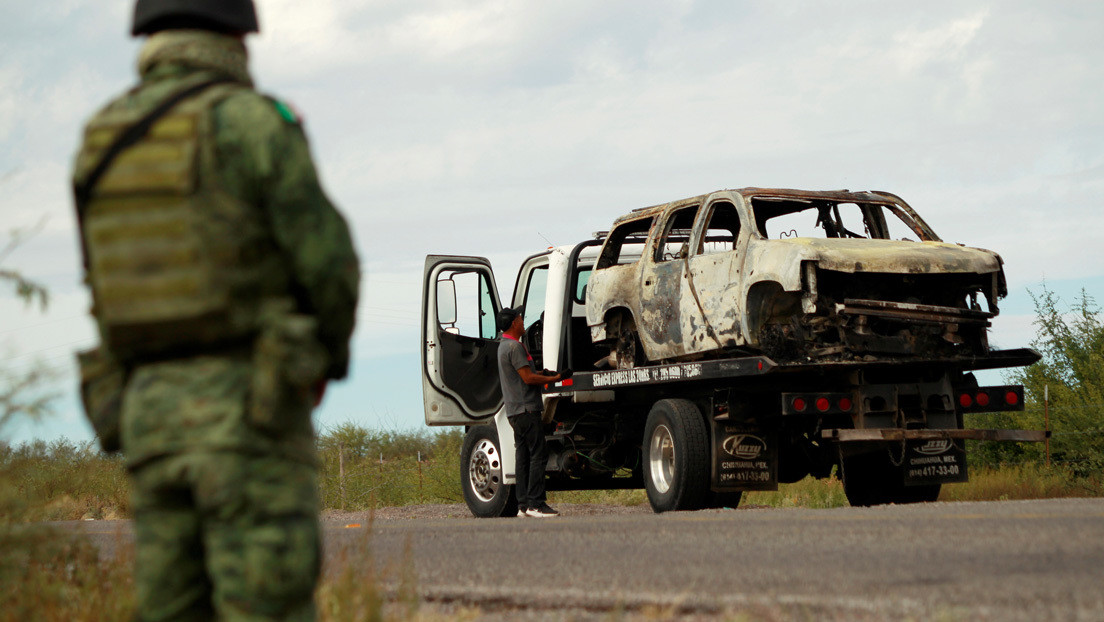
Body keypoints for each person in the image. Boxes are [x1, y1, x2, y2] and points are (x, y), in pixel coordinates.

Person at [71, 0, 360, 619]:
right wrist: (321, 365)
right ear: (237, 30)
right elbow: (329, 265)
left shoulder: (101, 140)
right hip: (250, 411)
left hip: (148, 422)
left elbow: (104, 287)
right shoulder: (253, 123)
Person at [496, 307, 571, 518]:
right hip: (527, 409)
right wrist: (554, 379)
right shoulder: (515, 347)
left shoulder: (503, 346)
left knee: (523, 457)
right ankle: (536, 504)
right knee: (539, 454)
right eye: (520, 319)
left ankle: (522, 506)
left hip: (514, 412)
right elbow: (528, 379)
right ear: (513, 324)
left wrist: (543, 374)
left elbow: (526, 374)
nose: (523, 321)